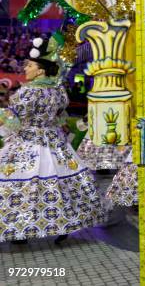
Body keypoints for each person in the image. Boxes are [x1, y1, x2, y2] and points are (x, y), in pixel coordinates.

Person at [0, 34, 106, 244]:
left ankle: (21, 230)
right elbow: (60, 118)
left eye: (29, 65)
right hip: (55, 143)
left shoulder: (25, 93)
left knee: (24, 186)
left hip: (27, 143)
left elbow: (13, 121)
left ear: (40, 70)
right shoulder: (58, 91)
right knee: (61, 184)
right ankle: (64, 224)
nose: (25, 69)